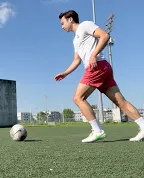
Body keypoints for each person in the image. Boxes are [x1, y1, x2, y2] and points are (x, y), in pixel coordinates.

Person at [54, 10, 144, 143]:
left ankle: (97, 131)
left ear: (70, 19)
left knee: (78, 98)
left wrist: (93, 55)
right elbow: (77, 60)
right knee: (120, 101)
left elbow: (105, 36)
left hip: (97, 67)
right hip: (103, 68)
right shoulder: (75, 40)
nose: (62, 26)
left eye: (62, 23)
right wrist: (65, 73)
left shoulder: (85, 25)